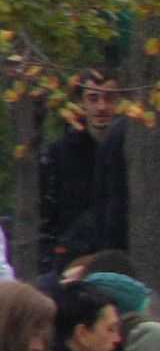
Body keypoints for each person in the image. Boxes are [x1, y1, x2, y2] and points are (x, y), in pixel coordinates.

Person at [38, 72, 120, 271]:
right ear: (80, 103)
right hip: (70, 259)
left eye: (109, 99)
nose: (101, 107)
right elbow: (46, 216)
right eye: (93, 98)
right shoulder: (60, 154)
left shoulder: (130, 151)